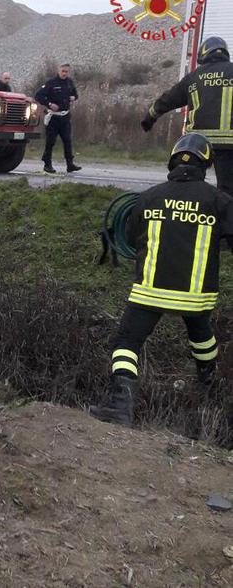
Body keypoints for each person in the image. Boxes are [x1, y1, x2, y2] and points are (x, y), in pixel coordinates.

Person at [90, 133, 233, 426]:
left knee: (127, 342)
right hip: (196, 296)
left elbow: (130, 238)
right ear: (205, 164)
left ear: (172, 159)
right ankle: (208, 389)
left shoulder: (148, 197)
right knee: (202, 336)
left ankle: (120, 407)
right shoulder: (219, 202)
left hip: (150, 293)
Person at [141, 36, 233, 197]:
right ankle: (225, 218)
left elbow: (168, 99)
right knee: (228, 190)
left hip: (198, 144)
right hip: (229, 145)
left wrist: (150, 117)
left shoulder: (193, 78)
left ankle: (186, 213)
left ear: (203, 54)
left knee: (189, 184)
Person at [35, 64, 81, 174]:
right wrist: (49, 104)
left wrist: (73, 97)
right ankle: (47, 164)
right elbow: (38, 96)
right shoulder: (51, 83)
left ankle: (70, 164)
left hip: (65, 117)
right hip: (53, 117)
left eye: (66, 71)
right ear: (58, 71)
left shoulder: (69, 82)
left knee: (67, 140)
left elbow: (75, 94)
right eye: (63, 71)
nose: (64, 73)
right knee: (51, 141)